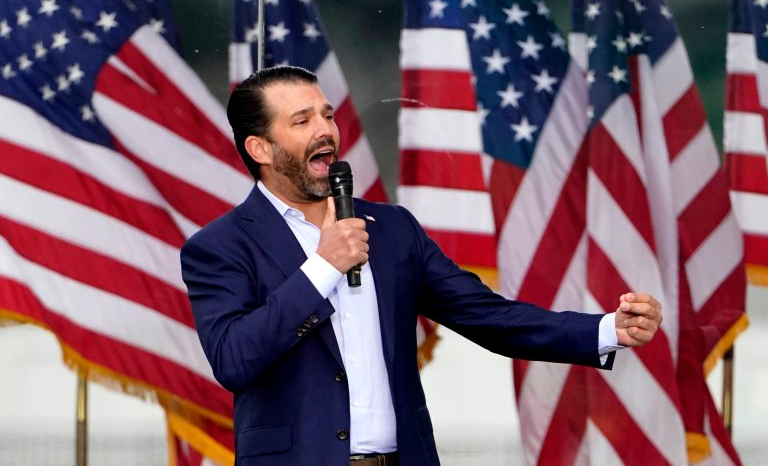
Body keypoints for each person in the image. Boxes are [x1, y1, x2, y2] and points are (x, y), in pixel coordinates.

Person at [180, 66, 663, 466]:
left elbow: (488, 315)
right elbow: (234, 358)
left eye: (327, 115)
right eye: (302, 121)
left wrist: (606, 329)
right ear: (261, 148)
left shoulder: (391, 228)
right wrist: (323, 266)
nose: (326, 130)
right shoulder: (221, 246)